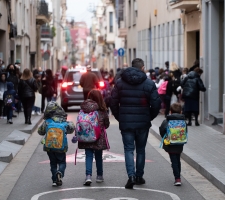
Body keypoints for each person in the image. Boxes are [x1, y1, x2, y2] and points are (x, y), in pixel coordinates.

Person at [110, 58, 161, 189]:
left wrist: (119, 117)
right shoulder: (149, 83)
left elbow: (113, 102)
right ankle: (139, 176)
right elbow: (156, 104)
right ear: (142, 68)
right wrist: (149, 116)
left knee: (128, 149)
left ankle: (131, 176)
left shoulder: (120, 83)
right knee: (141, 150)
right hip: (143, 122)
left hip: (126, 122)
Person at [38, 101, 75, 187]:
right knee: (62, 162)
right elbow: (71, 128)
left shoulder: (47, 121)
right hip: (61, 146)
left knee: (53, 163)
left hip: (49, 147)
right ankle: (60, 172)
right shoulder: (63, 121)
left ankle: (54, 180)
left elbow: (40, 131)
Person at [78, 89, 110, 186]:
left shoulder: (84, 109)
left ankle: (88, 176)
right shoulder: (102, 110)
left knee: (88, 156)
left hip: (86, 136)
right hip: (98, 137)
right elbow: (107, 124)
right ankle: (99, 176)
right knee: (98, 156)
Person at [159, 103, 186, 186]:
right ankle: (178, 175)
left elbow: (162, 129)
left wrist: (165, 137)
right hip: (180, 143)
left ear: (170, 112)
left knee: (173, 160)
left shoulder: (167, 120)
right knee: (178, 159)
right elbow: (185, 131)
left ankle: (177, 178)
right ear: (181, 112)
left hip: (170, 143)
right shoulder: (183, 121)